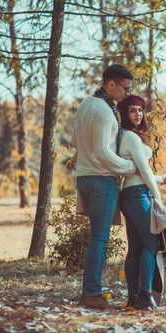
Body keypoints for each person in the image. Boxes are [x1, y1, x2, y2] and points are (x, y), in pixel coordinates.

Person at [72, 64, 137, 309]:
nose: (128, 94)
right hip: (101, 179)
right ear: (112, 84)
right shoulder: (102, 110)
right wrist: (131, 166)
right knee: (100, 238)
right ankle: (91, 294)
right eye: (126, 88)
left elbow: (74, 142)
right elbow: (102, 152)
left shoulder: (86, 104)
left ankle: (90, 291)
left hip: (86, 178)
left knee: (96, 237)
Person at [117, 94, 166, 310]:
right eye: (132, 110)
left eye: (140, 110)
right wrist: (157, 196)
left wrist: (158, 179)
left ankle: (134, 298)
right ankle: (146, 296)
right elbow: (143, 167)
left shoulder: (128, 136)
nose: (138, 114)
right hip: (138, 195)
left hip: (131, 194)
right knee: (152, 244)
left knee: (137, 247)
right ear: (124, 113)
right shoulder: (129, 136)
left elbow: (138, 171)